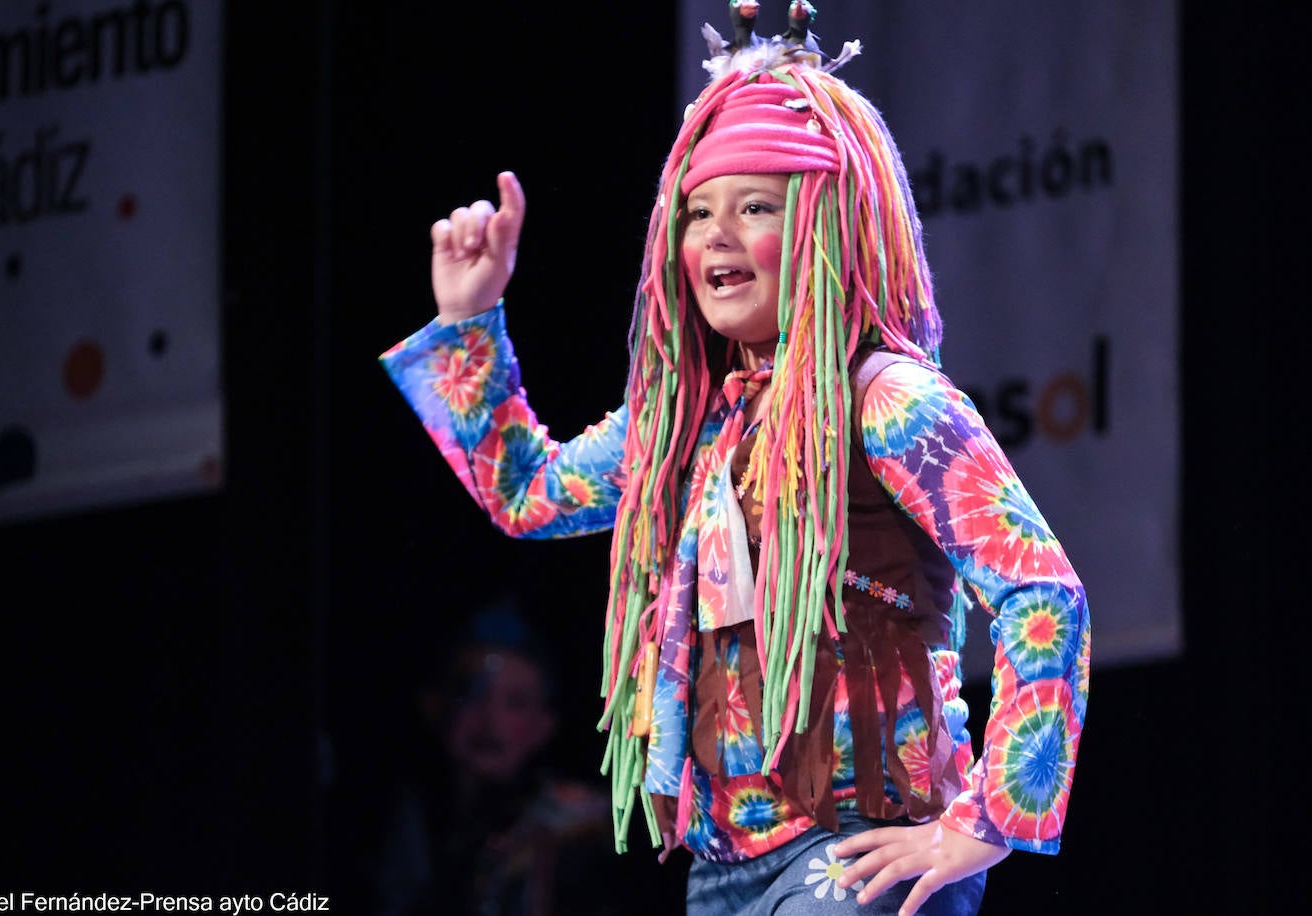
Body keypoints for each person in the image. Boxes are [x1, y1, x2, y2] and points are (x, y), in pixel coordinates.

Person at [379, 3, 1090, 913]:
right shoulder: (681, 423)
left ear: (828, 231)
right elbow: (528, 492)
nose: (714, 235)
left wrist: (986, 821)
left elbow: (1042, 592)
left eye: (755, 207)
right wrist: (467, 321)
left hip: (856, 848)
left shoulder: (885, 398)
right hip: (720, 870)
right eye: (698, 213)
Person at [374, 596, 636, 916]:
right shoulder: (401, 817)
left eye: (516, 702)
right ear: (434, 706)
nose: (490, 720)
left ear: (544, 724)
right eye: (469, 694)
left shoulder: (574, 824)